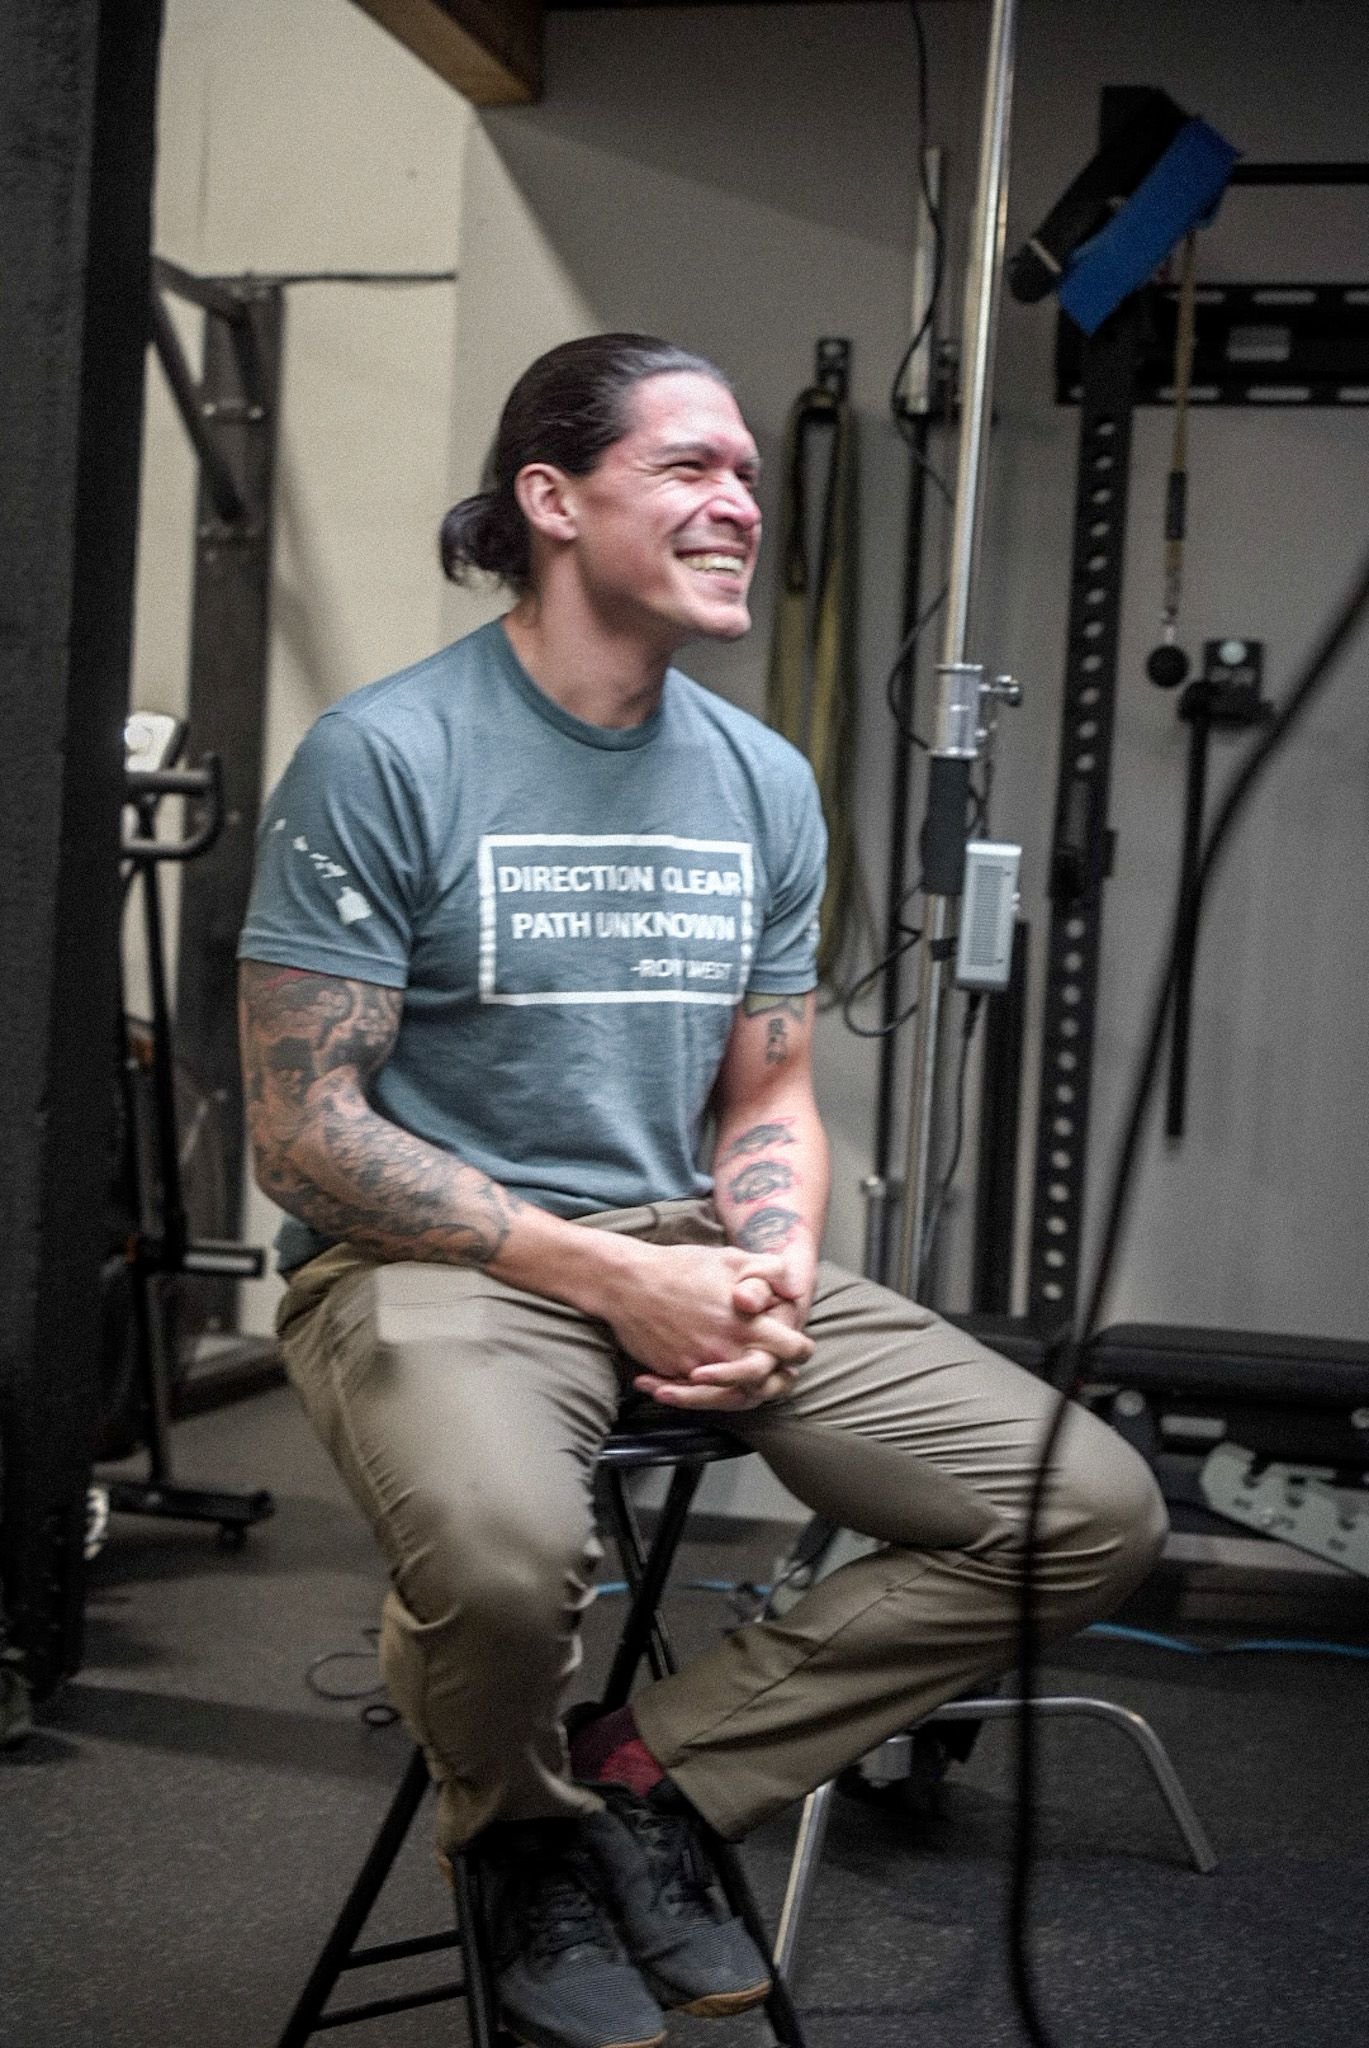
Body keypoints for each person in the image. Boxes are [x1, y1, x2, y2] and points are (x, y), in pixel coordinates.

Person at [238, 334, 1167, 2048]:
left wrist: (774, 1262)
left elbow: (767, 1090)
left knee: (1085, 1507)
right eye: (689, 466)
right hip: (426, 1260)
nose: (740, 501)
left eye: (745, 470)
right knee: (510, 1565)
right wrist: (609, 1279)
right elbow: (304, 1134)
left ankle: (645, 1780)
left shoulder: (759, 777)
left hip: (685, 1242)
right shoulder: (387, 753)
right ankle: (516, 1843)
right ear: (550, 499)